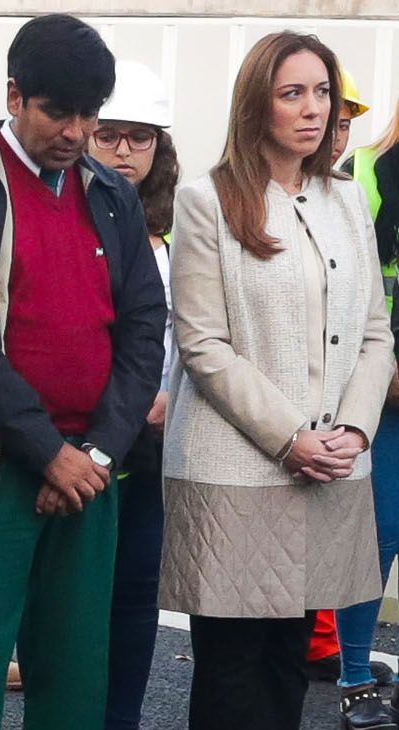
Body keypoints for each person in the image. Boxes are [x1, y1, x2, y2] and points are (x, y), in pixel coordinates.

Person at [0, 15, 167, 729]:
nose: (78, 132)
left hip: (92, 471)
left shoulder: (111, 195)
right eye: (60, 112)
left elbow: (147, 329)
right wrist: (47, 452)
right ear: (15, 97)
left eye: (90, 115)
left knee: (75, 673)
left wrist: (96, 451)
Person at [159, 31, 394, 730]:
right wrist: (291, 437)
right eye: (293, 93)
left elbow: (374, 333)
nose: (313, 108)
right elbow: (203, 343)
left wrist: (352, 428)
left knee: (289, 664)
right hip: (237, 472)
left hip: (327, 470)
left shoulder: (347, 200)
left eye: (322, 92)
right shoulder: (206, 200)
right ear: (255, 105)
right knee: (234, 672)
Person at [82, 60, 179, 730]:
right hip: (80, 437)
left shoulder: (180, 227)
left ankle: (121, 719)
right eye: (110, 134)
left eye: (138, 137)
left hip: (150, 441)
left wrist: (170, 393)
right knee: (72, 595)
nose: (123, 150)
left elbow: (192, 331)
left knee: (137, 591)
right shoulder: (68, 212)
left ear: (158, 146)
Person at [331, 96, 399, 729]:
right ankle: (354, 675)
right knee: (373, 539)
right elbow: (348, 290)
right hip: (385, 391)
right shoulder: (369, 173)